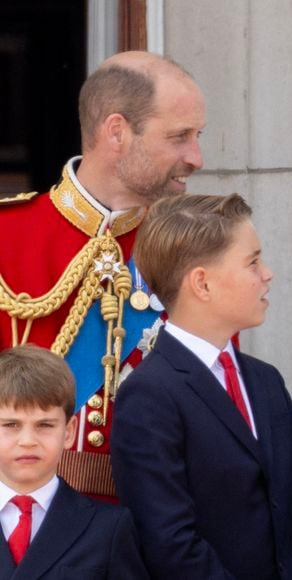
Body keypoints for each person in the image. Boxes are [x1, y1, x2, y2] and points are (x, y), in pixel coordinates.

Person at [0, 51, 205, 500]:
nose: (197, 157)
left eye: (197, 136)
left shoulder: (193, 253)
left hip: (146, 534)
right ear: (117, 132)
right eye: (180, 136)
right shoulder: (7, 236)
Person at [110, 193, 292, 579]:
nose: (267, 273)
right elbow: (170, 544)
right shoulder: (149, 395)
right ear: (202, 283)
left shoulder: (266, 381)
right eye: (252, 262)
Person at [0, 345, 149, 579]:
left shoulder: (108, 528)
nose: (28, 441)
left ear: (69, 432)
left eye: (45, 425)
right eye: (11, 425)